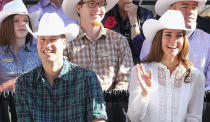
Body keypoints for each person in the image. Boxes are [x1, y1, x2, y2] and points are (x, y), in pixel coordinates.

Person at [15, 12, 107, 122]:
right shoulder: (24, 83)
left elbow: (98, 120)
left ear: (64, 43)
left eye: (53, 39)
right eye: (42, 39)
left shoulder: (87, 78)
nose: (47, 45)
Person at [127, 10, 205, 122]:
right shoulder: (140, 71)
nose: (173, 40)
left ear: (184, 39)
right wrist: (144, 94)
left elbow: (195, 118)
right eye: (168, 34)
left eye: (179, 35)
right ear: (159, 38)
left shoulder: (196, 76)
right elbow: (133, 118)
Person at [62, 0, 133, 121]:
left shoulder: (119, 41)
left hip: (111, 110)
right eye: (91, 3)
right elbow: (62, 79)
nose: (97, 9)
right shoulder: (66, 42)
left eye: (101, 4)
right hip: (76, 110)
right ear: (79, 8)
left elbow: (125, 78)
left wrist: (108, 106)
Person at [140, 0, 210, 90]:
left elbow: (209, 88)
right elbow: (146, 80)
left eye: (194, 7)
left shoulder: (207, 41)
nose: (191, 12)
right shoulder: (151, 41)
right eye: (185, 7)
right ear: (171, 9)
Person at [0, 0, 41, 121]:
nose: (22, 24)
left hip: (35, 112)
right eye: (16, 20)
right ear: (7, 24)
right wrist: (8, 85)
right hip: (5, 114)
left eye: (25, 20)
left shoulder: (39, 51)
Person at [102, 0, 154, 64]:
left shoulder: (146, 15)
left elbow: (143, 53)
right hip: (111, 65)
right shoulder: (105, 14)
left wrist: (133, 19)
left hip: (137, 68)